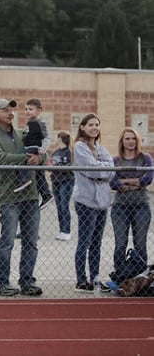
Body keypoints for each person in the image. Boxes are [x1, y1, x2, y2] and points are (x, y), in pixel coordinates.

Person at [0, 98, 44, 297]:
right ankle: (0, 283)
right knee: (7, 241)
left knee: (31, 242)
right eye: (5, 110)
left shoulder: (21, 134)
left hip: (30, 195)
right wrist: (26, 158)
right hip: (9, 196)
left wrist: (38, 158)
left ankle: (27, 282)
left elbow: (40, 152)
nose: (10, 113)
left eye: (11, 110)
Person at [72, 113, 114, 293]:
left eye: (97, 124)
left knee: (96, 243)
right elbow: (92, 171)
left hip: (102, 202)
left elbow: (111, 169)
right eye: (91, 125)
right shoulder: (79, 147)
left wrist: (101, 167)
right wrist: (101, 168)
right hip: (86, 201)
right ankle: (81, 280)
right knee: (85, 241)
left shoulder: (100, 147)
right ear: (82, 127)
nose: (94, 128)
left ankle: (95, 277)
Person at [109, 127, 152, 276]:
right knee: (120, 244)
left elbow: (148, 179)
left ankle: (140, 277)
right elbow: (113, 183)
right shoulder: (115, 160)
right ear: (122, 141)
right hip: (120, 207)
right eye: (127, 138)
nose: (131, 141)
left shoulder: (145, 158)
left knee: (140, 244)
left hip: (141, 206)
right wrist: (136, 182)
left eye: (133, 138)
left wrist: (125, 182)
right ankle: (120, 275)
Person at [22, 99, 53, 208]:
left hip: (33, 148)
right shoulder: (29, 123)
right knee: (40, 174)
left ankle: (25, 179)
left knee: (22, 159)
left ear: (39, 110)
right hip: (28, 147)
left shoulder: (40, 124)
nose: (27, 111)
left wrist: (43, 148)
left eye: (30, 109)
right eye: (26, 109)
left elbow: (46, 137)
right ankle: (46, 195)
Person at [51, 131, 75, 241]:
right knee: (59, 206)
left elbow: (67, 167)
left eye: (57, 138)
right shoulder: (56, 152)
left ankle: (67, 231)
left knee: (64, 205)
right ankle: (61, 230)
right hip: (56, 181)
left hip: (66, 181)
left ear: (60, 138)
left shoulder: (68, 152)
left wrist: (57, 168)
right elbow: (51, 164)